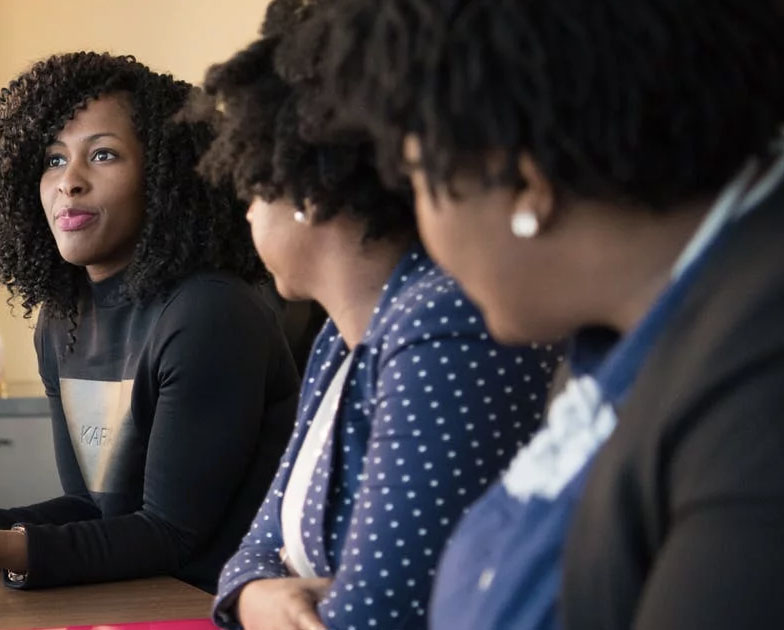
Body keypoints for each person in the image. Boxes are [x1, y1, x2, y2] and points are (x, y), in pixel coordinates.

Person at [318, 0, 784, 627]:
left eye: (419, 184)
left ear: (526, 181)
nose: (425, 236)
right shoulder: (618, 331)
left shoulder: (760, 371)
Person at [0, 52, 300, 593]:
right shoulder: (61, 321)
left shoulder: (210, 313)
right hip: (134, 597)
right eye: (54, 159)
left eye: (103, 155)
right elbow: (93, 507)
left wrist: (1, 548)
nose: (70, 183)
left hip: (218, 605)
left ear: (163, 176)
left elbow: (172, 535)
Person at [187, 2, 562, 627]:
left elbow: (376, 616)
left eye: (254, 189)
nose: (247, 213)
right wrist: (256, 597)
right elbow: (254, 548)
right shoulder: (341, 334)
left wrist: (269, 598)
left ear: (308, 188)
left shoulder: (441, 321)